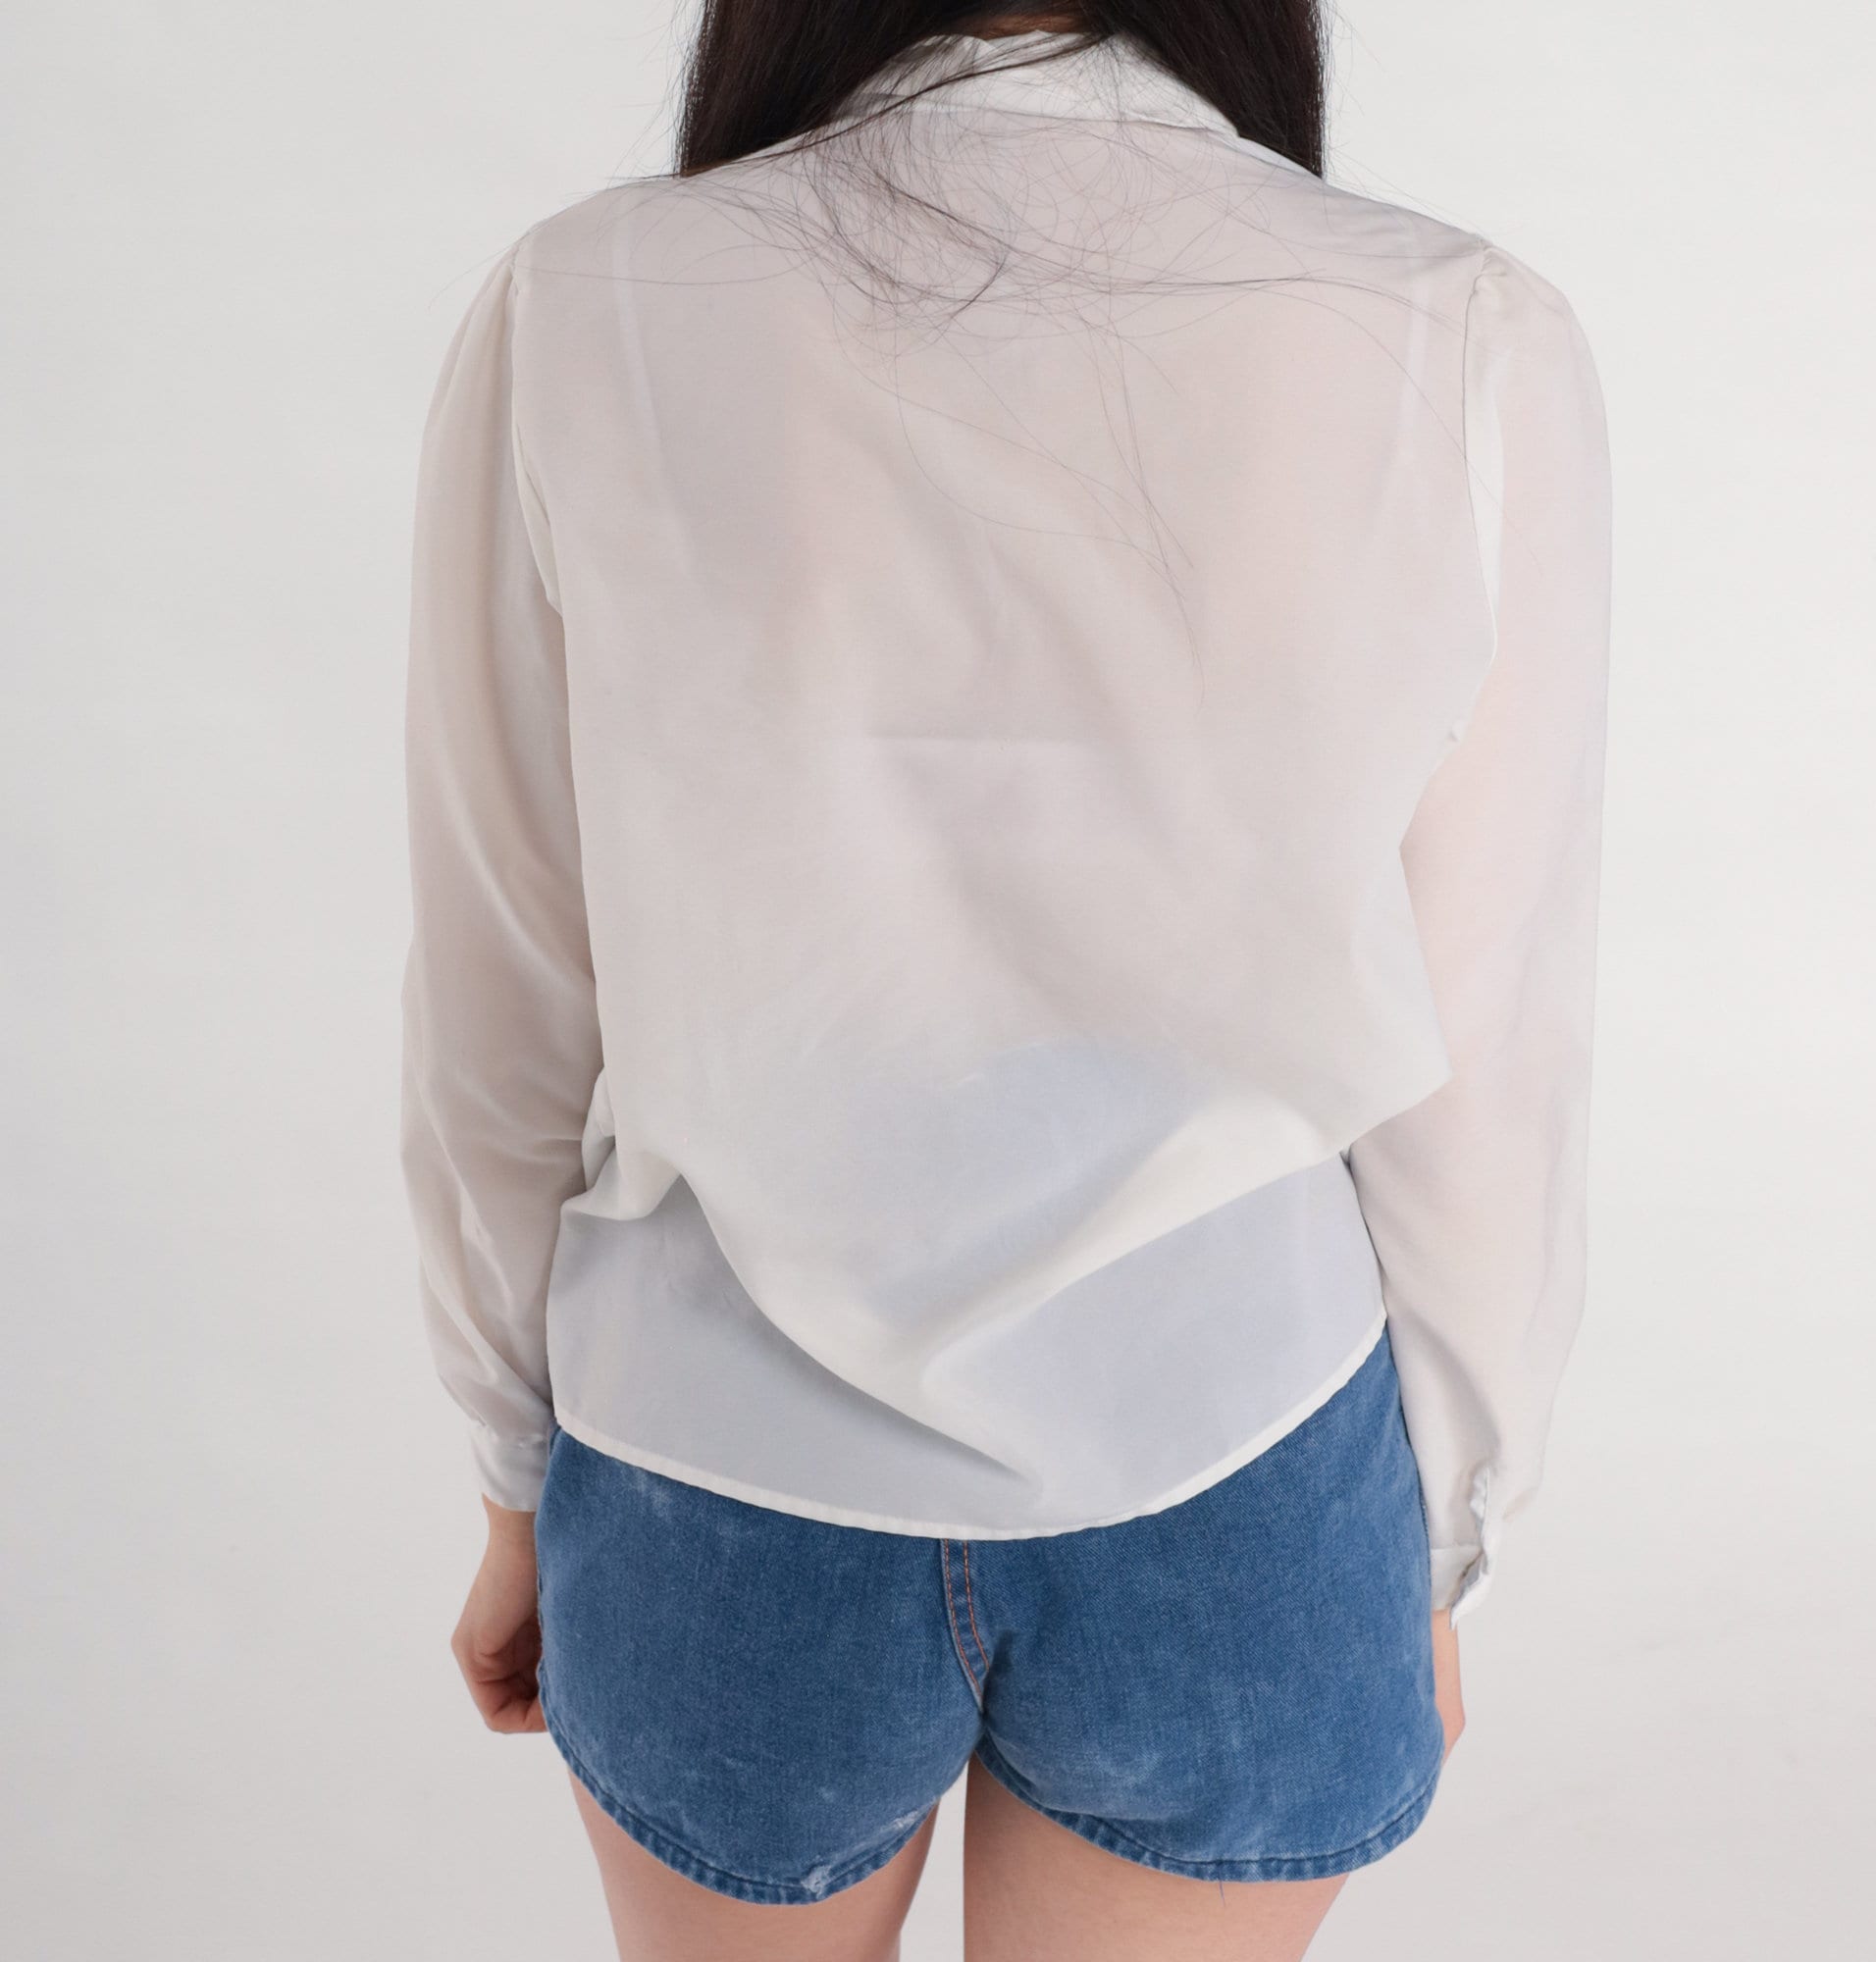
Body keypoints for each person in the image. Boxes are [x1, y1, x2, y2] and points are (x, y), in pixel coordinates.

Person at [399, 3, 1611, 1955]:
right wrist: (1438, 1543)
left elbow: (505, 989)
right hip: (1244, 1469)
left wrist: (510, 1478)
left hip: (718, 1461)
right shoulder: (1457, 331)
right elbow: (1487, 1057)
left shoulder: (586, 301)